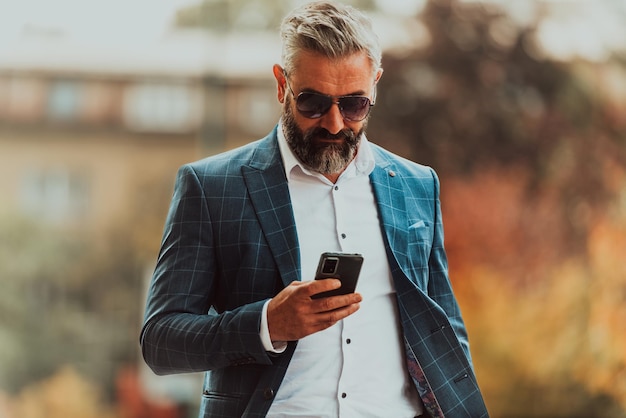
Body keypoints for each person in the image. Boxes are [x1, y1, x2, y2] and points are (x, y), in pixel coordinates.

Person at [140, 2, 489, 417]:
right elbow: (160, 340)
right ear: (281, 84)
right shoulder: (213, 188)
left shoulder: (416, 185)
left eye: (354, 104)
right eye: (313, 103)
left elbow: (444, 327)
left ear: (375, 85)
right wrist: (267, 324)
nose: (335, 123)